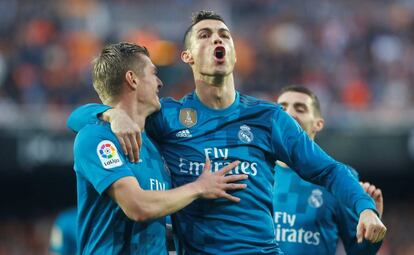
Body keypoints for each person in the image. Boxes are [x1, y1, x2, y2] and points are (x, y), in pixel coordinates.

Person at [67, 11, 386, 254]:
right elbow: (80, 122)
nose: (217, 39)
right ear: (188, 56)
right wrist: (110, 113)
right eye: (205, 35)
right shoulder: (166, 117)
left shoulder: (268, 118)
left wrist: (365, 208)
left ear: (233, 53)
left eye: (224, 35)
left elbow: (330, 170)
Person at [72, 42, 247, 254]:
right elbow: (138, 207)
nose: (160, 82)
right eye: (153, 73)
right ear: (132, 79)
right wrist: (199, 188)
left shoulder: (154, 144)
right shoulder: (97, 137)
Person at [274, 85, 384, 254]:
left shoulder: (341, 181)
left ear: (318, 124)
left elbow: (359, 252)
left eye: (300, 108)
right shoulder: (257, 173)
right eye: (282, 108)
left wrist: (371, 229)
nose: (289, 114)